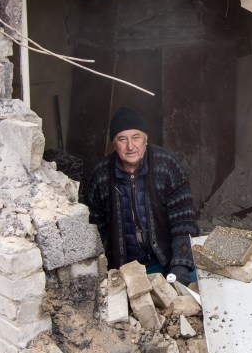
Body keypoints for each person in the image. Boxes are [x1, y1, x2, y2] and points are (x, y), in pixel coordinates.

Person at [80, 107, 198, 283]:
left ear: (146, 139)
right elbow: (95, 230)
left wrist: (180, 265)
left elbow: (184, 221)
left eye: (136, 137)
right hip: (130, 266)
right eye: (122, 139)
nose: (130, 146)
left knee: (200, 288)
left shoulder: (167, 165)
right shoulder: (100, 175)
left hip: (169, 258)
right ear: (114, 143)